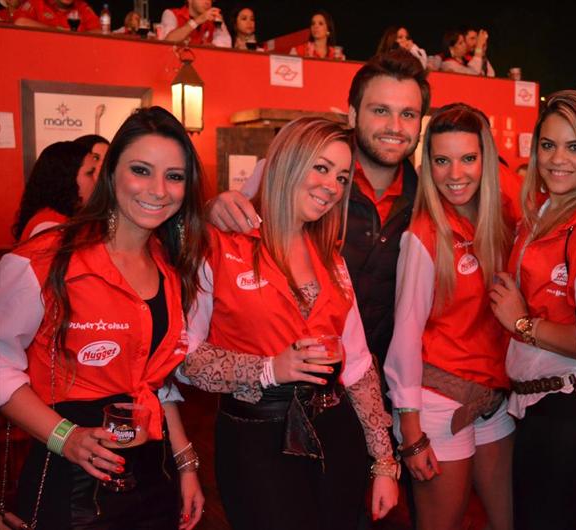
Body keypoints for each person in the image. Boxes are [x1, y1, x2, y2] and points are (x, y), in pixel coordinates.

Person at [182, 117, 399, 530]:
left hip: (335, 433)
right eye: (321, 168)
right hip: (256, 439)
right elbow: (185, 358)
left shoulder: (331, 258)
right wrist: (268, 369)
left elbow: (358, 367)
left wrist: (384, 462)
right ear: (286, 163)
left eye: (341, 177)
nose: (331, 186)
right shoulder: (219, 246)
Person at [0, 106, 207, 529]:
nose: (158, 190)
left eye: (174, 176)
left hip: (153, 472)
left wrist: (185, 464)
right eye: (141, 170)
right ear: (111, 173)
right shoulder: (45, 260)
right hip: (70, 474)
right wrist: (65, 436)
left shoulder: (171, 267)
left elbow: (156, 380)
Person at [208, 47, 430, 383]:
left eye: (408, 114)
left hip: (386, 382)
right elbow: (237, 217)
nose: (394, 126)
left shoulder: (427, 200)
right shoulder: (297, 176)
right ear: (352, 115)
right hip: (287, 381)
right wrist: (213, 208)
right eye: (381, 110)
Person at [488, 90, 576, 530]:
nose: (557, 159)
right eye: (548, 145)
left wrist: (522, 323)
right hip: (537, 408)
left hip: (570, 414)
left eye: (574, 147)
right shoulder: (543, 213)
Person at [384, 103, 514, 530]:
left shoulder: (499, 222)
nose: (455, 173)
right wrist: (410, 430)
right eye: (442, 161)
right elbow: (405, 337)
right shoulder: (424, 234)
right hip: (439, 401)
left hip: (493, 398)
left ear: (486, 160)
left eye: (468, 158)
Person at [12, 141, 94, 242]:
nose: (97, 179)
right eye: (90, 173)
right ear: (67, 178)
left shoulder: (68, 218)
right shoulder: (49, 226)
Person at [161, 0, 231, 48]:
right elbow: (167, 42)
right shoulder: (171, 14)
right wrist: (197, 21)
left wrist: (212, 47)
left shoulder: (215, 19)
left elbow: (226, 46)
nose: (207, 2)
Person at [14, 0, 99, 32]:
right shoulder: (38, 2)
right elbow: (20, 22)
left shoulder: (81, 6)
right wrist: (57, 30)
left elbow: (99, 31)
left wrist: (77, 37)